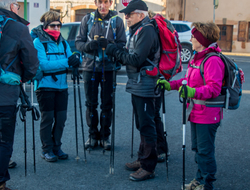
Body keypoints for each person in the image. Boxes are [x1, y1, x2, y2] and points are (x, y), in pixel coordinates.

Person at [0, 0, 39, 190]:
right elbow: (31, 63)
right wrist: (20, 79)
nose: (18, 8)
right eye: (17, 5)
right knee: (2, 142)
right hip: (3, 95)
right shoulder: (17, 28)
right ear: (11, 6)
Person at [157, 22, 223, 190]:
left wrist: (192, 93)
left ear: (202, 39)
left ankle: (206, 184)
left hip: (208, 114)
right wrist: (169, 84)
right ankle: (199, 180)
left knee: (205, 151)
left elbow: (214, 89)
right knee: (198, 150)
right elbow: (187, 81)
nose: (192, 38)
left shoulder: (212, 60)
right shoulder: (196, 57)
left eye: (194, 35)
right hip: (196, 112)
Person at [106, 0, 160, 181]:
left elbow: (136, 59)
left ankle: (148, 166)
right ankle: (142, 158)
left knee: (146, 124)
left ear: (141, 15)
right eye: (125, 14)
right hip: (139, 83)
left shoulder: (147, 30)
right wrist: (118, 50)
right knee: (141, 123)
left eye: (129, 14)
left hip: (145, 84)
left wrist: (114, 51)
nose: (126, 17)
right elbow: (133, 55)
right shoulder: (139, 30)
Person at [75, 0, 126, 150]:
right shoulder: (87, 19)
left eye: (105, 2)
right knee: (91, 104)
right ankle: (92, 135)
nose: (102, 6)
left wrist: (109, 47)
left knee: (106, 104)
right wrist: (88, 46)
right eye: (100, 2)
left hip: (108, 67)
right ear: (96, 3)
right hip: (90, 67)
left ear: (110, 3)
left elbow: (122, 44)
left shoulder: (117, 21)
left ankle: (105, 136)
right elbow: (79, 43)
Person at [31, 11, 80, 162]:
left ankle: (57, 147)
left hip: (61, 86)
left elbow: (71, 56)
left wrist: (76, 59)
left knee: (61, 118)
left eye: (59, 25)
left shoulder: (63, 42)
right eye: (53, 25)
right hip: (45, 86)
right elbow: (43, 65)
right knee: (48, 118)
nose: (57, 28)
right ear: (45, 26)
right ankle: (46, 149)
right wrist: (68, 62)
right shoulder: (38, 42)